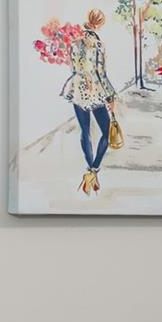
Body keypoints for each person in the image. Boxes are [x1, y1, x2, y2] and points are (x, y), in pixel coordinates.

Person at [62, 10, 118, 195]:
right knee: (106, 132)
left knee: (84, 131)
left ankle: (90, 170)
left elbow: (74, 67)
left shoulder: (74, 44)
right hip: (95, 90)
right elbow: (101, 74)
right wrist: (111, 96)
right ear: (100, 24)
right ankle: (93, 170)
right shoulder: (99, 46)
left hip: (77, 89)